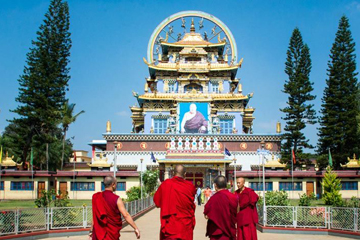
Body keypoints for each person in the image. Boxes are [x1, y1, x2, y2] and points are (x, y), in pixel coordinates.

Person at [154, 164, 196, 240]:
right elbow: (192, 205)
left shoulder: (166, 184)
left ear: (173, 173)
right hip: (185, 227)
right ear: (185, 174)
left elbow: (157, 203)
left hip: (170, 226)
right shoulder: (190, 187)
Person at [91, 176, 140, 240]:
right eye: (116, 184)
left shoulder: (96, 197)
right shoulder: (116, 199)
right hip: (111, 235)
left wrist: (91, 231)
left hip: (98, 234)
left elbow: (94, 216)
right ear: (113, 184)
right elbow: (125, 215)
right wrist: (135, 228)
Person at [204, 176, 237, 240]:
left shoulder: (213, 199)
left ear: (215, 185)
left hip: (217, 233)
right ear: (226, 184)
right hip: (230, 232)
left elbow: (206, 216)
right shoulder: (234, 197)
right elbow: (237, 211)